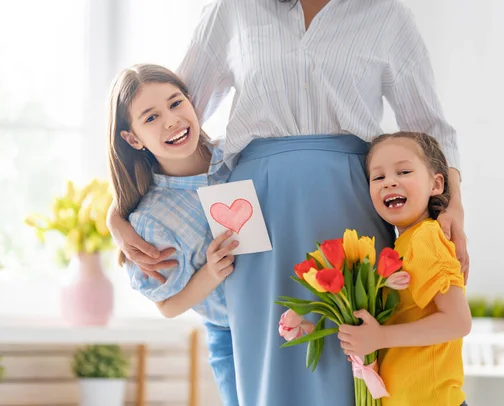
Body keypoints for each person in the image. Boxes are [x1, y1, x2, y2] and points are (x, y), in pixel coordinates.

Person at [107, 1, 469, 405]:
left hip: (350, 200)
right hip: (252, 208)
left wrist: (453, 207)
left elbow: (430, 125)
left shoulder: (386, 15)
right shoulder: (234, 10)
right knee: (273, 351)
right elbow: (169, 116)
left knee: (348, 346)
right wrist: (117, 212)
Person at [107, 64, 238, 406]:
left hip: (291, 314)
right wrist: (210, 273)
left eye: (176, 103)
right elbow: (167, 305)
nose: (171, 120)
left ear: (193, 102)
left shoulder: (238, 154)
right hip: (232, 338)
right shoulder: (153, 219)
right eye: (151, 118)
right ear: (132, 139)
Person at [338, 131, 471, 406]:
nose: (390, 182)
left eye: (404, 171)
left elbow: (458, 321)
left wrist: (379, 338)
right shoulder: (402, 247)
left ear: (435, 184)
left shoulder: (425, 239)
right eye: (379, 177)